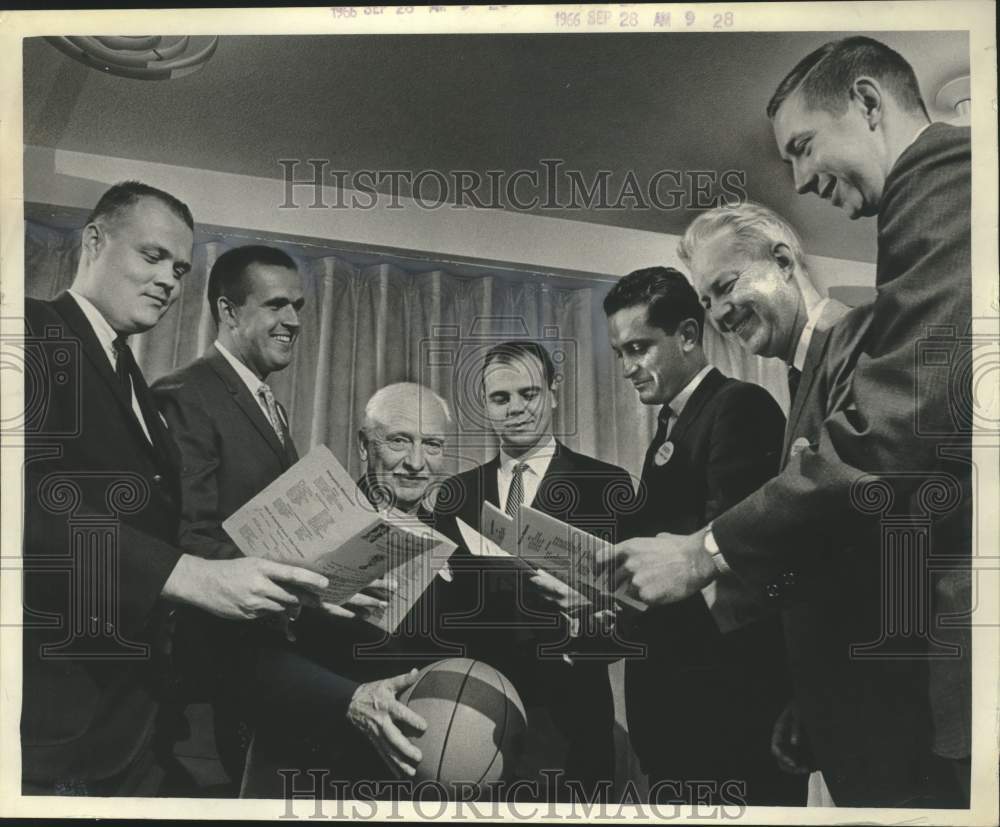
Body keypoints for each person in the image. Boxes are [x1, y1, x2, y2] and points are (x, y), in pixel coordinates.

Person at [612, 36, 972, 807]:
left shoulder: (869, 330)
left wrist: (703, 552)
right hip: (846, 705)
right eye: (707, 300)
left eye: (727, 285)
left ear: (783, 260)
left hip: (902, 702)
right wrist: (806, 695)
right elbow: (832, 555)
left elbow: (880, 488)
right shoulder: (800, 375)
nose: (719, 312)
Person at [21, 182, 332, 796]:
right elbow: (16, 503)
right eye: (152, 256)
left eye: (180, 268)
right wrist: (184, 573)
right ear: (93, 241)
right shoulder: (31, 331)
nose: (168, 279)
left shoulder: (131, 376)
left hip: (131, 716)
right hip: (53, 718)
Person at [151, 245, 427, 795]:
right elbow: (187, 541)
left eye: (298, 306)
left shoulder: (265, 402)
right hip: (223, 663)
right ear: (229, 312)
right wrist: (305, 579)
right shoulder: (185, 395)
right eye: (276, 305)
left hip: (277, 647)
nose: (294, 321)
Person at [602, 265, 804, 805]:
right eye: (620, 353)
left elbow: (740, 564)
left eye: (639, 348)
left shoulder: (739, 407)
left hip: (725, 716)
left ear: (689, 335)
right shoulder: (672, 426)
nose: (627, 368)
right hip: (682, 714)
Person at [433, 340, 634, 802]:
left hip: (574, 723)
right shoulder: (456, 495)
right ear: (485, 405)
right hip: (472, 721)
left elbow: (634, 615)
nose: (516, 409)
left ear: (554, 393)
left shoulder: (606, 485)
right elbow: (444, 613)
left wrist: (592, 620)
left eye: (529, 394)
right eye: (500, 398)